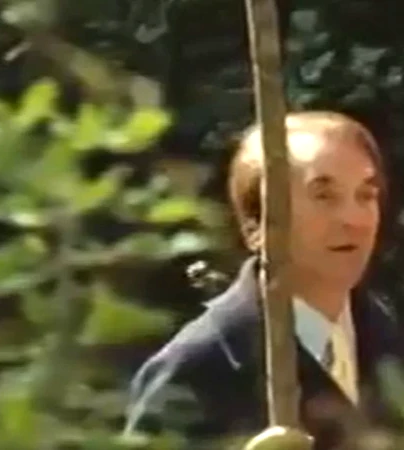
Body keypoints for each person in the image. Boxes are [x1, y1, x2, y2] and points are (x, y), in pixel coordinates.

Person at [124, 111, 404, 449]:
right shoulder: (194, 372)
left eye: (366, 195)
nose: (354, 219)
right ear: (254, 228)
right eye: (324, 196)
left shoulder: (388, 340)